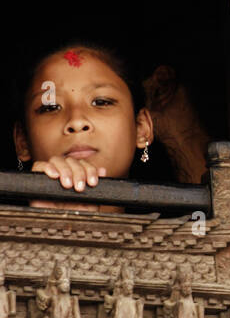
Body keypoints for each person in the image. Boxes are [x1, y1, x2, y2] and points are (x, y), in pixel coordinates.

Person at [11, 42, 154, 212]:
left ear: (141, 128)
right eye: (51, 107)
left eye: (101, 102)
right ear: (22, 141)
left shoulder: (190, 233)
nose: (76, 122)